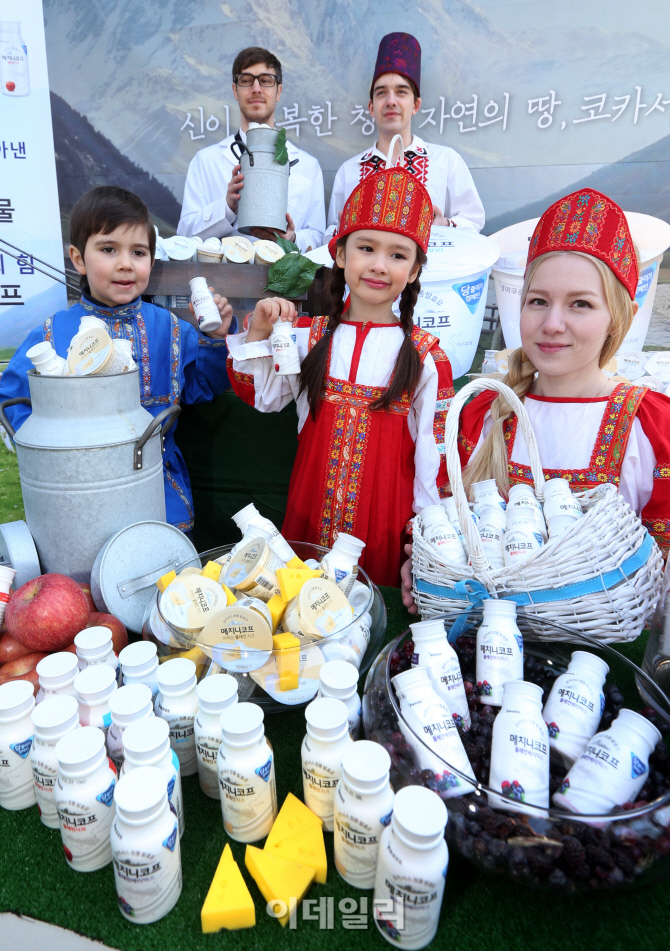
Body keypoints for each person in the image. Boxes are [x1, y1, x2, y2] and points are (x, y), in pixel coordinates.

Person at [400, 186, 670, 610]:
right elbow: (439, 530)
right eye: (538, 301)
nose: (553, 323)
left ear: (620, 318)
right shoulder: (480, 415)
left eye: (580, 304)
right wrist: (424, 565)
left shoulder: (651, 427)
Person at [226, 153, 455, 587]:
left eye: (397, 254)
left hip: (384, 529)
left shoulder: (425, 356)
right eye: (366, 248)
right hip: (309, 511)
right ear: (340, 253)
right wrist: (258, 331)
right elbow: (264, 397)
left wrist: (420, 548)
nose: (379, 265)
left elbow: (434, 462)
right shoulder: (307, 336)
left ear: (415, 270)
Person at [0, 186, 235, 533]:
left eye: (138, 252)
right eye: (109, 249)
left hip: (159, 489)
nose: (125, 263)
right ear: (78, 259)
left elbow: (205, 386)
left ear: (151, 262)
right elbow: (11, 401)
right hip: (74, 494)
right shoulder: (51, 335)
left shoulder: (172, 329)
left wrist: (215, 339)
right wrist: (47, 456)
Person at [325, 32, 484, 244]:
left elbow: (473, 223)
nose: (391, 101)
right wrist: (344, 232)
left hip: (434, 276)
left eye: (401, 92)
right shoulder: (349, 171)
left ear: (415, 105)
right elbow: (329, 239)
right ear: (371, 108)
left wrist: (444, 226)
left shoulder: (446, 162)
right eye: (381, 93)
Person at [178, 46, 325, 253]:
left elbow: (320, 239)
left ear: (279, 91)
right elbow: (184, 236)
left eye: (266, 80)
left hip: (284, 283)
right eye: (246, 80)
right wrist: (226, 207)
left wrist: (292, 238)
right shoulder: (205, 162)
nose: (256, 88)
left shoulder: (308, 166)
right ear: (235, 90)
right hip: (220, 282)